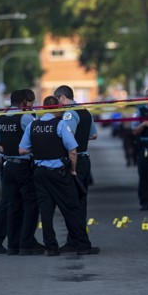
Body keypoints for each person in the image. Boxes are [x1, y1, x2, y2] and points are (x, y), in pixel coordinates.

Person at [19, 95, 99, 256]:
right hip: (59, 174)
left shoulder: (33, 126)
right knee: (72, 208)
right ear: (57, 108)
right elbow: (73, 151)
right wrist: (73, 170)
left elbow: (22, 150)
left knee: (46, 211)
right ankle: (83, 246)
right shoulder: (61, 125)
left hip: (40, 173)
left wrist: (37, 150)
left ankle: (51, 248)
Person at [0, 90, 43, 256]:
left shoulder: (1, 118)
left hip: (7, 166)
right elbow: (37, 138)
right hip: (23, 166)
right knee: (30, 204)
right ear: (24, 104)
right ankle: (26, 243)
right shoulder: (26, 118)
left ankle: (13, 245)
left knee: (12, 205)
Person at [53, 85, 98, 253]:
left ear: (62, 98)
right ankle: (74, 240)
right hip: (85, 159)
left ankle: (78, 242)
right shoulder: (85, 111)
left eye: (57, 101)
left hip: (75, 161)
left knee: (72, 204)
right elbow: (94, 135)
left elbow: (66, 137)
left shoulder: (69, 114)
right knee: (80, 202)